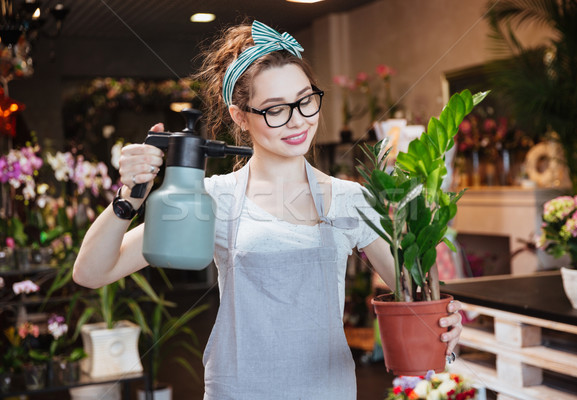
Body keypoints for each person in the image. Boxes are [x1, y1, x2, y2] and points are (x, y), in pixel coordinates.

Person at [73, 20, 463, 400]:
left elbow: (413, 297)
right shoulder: (214, 198)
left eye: (305, 100)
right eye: (275, 109)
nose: (298, 121)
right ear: (239, 116)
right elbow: (92, 272)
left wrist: (445, 322)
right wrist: (131, 198)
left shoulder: (349, 198)